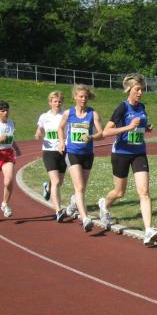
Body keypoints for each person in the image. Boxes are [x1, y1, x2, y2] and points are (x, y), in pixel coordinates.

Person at [98, 73, 157, 245]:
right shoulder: (122, 108)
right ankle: (104, 203)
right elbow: (106, 132)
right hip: (121, 152)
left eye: (142, 89)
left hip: (139, 152)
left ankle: (148, 230)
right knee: (119, 192)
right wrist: (128, 127)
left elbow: (139, 126)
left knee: (144, 191)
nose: (141, 93)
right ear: (129, 89)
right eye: (137, 89)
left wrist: (146, 128)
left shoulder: (142, 107)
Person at [57, 85, 104, 232]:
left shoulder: (93, 114)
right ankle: (85, 218)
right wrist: (61, 142)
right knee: (79, 187)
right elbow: (60, 128)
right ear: (75, 97)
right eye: (81, 96)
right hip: (72, 153)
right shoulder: (68, 113)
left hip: (87, 154)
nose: (83, 99)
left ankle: (73, 203)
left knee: (82, 187)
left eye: (85, 97)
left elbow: (101, 133)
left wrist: (91, 137)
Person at [35, 91, 68, 222]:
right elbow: (40, 129)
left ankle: (47, 187)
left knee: (59, 182)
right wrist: (38, 133)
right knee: (56, 181)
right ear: (50, 102)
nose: (57, 103)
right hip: (49, 151)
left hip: (63, 150)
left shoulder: (65, 115)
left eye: (59, 101)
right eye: (55, 101)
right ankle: (58, 211)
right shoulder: (44, 116)